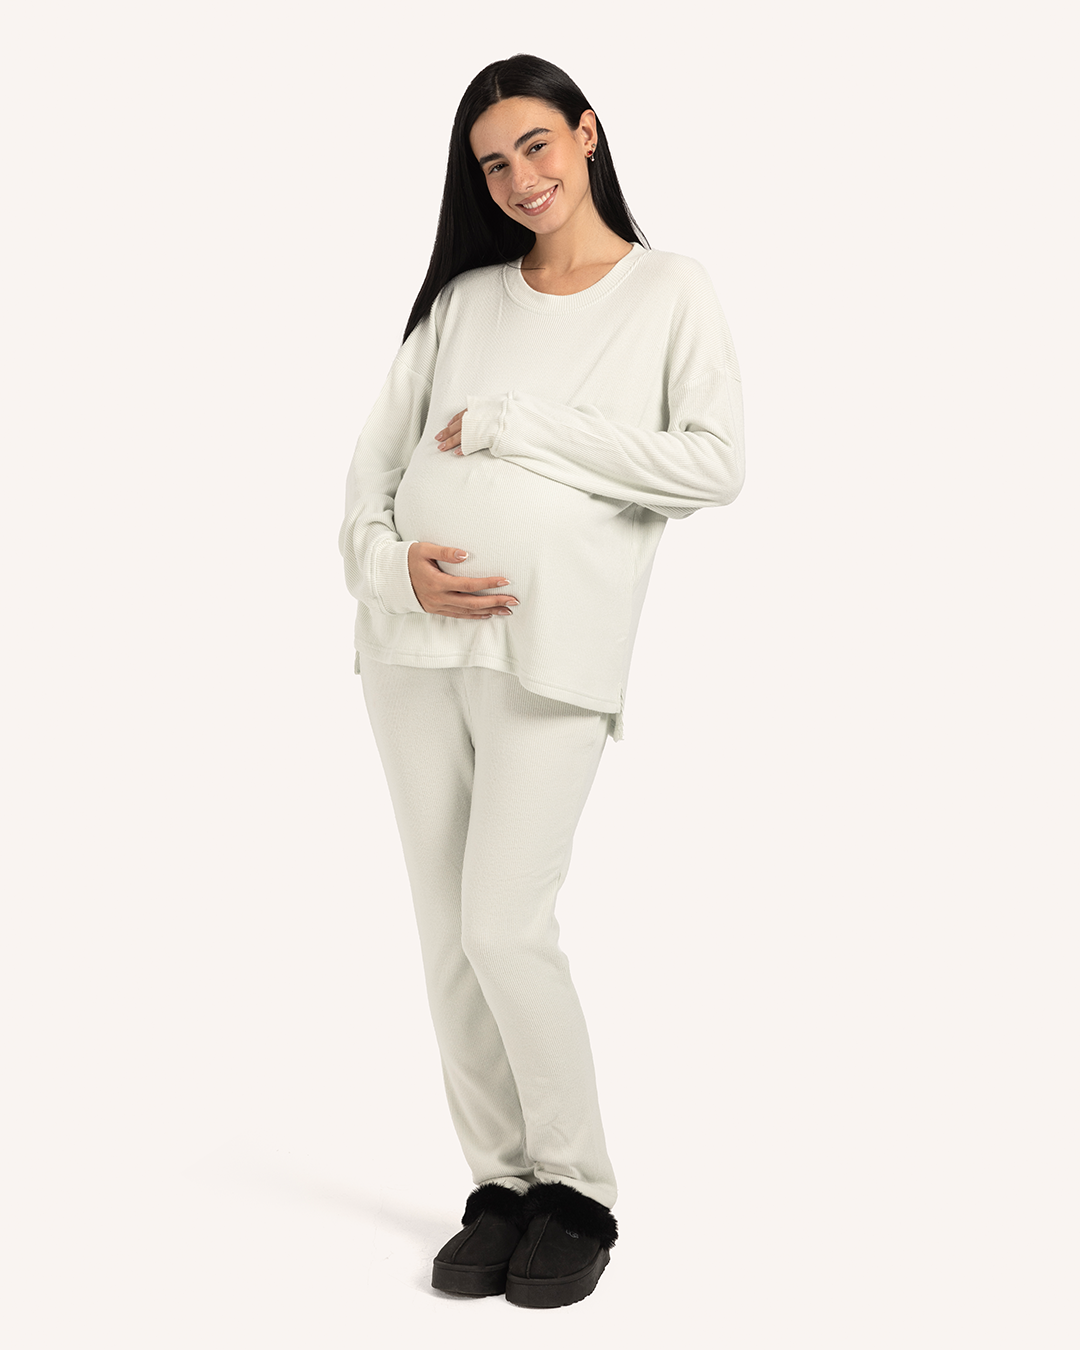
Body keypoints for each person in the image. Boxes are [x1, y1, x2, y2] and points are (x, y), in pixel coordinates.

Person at [338, 52, 745, 1308]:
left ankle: (577, 1189)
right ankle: (501, 1184)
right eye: (492, 163)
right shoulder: (460, 302)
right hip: (410, 653)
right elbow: (368, 483)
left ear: (588, 133)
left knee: (504, 923)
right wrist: (398, 572)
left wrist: (521, 424)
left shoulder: (669, 291)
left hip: (552, 653)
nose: (519, 177)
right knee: (447, 938)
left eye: (535, 145)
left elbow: (714, 465)